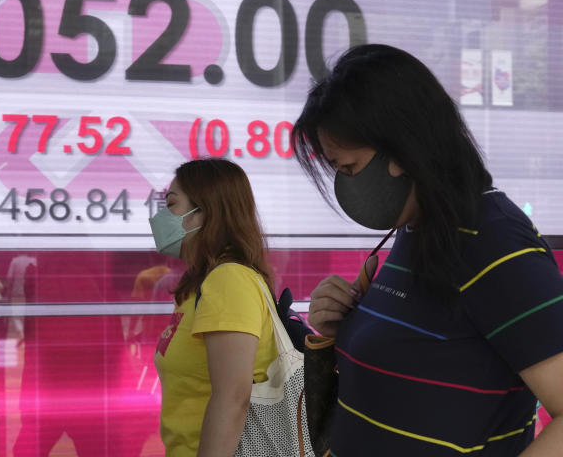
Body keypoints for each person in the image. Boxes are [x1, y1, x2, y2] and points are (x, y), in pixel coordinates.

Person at [293, 44, 563, 456]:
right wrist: (342, 327)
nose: (344, 185)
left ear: (402, 151)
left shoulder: (495, 244)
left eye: (348, 168)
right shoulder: (416, 229)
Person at [151, 158, 277, 457]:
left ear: (204, 213)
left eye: (171, 204)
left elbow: (233, 398)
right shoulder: (200, 285)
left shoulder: (228, 280)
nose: (160, 217)